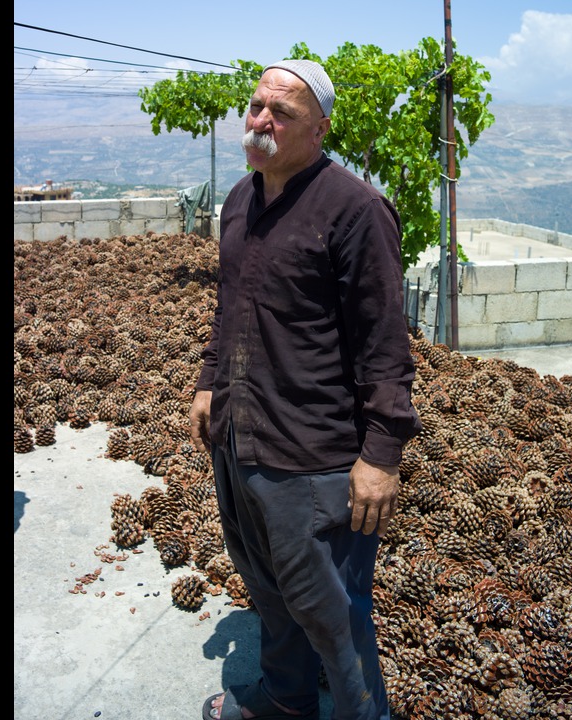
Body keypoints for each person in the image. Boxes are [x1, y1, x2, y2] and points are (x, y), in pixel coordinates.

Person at [189, 59, 423, 720]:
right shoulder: (242, 197)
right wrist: (210, 382)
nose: (262, 120)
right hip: (240, 437)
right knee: (268, 592)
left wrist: (380, 453)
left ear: (318, 128)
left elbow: (384, 341)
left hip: (311, 458)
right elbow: (232, 305)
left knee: (334, 620)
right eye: (258, 106)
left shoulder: (355, 208)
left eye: (282, 113)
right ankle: (284, 705)